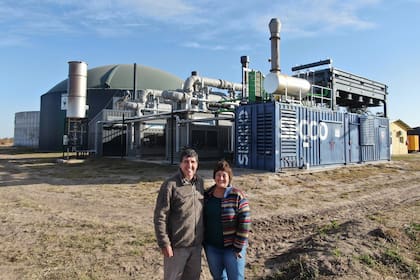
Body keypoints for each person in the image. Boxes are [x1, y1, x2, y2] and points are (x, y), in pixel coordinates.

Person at [153, 148, 204, 280]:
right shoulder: (170, 185)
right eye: (186, 161)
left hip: (196, 247)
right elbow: (160, 216)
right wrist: (164, 243)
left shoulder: (200, 183)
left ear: (197, 164)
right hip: (176, 247)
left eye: (193, 162)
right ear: (180, 164)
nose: (190, 165)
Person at [204, 160, 251, 280]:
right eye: (218, 175)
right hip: (212, 247)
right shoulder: (207, 195)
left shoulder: (237, 195)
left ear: (229, 177)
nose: (221, 178)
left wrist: (238, 247)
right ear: (214, 177)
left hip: (233, 249)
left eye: (224, 175)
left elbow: (245, 222)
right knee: (218, 277)